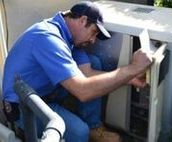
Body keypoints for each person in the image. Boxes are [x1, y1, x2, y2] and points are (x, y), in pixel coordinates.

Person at [2, 1, 152, 142]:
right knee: (80, 132)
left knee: (93, 62)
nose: (93, 40)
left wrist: (129, 78)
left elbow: (87, 74)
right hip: (23, 107)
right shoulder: (48, 38)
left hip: (46, 92)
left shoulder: (68, 35)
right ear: (82, 20)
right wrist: (132, 69)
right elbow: (83, 90)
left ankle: (94, 127)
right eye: (93, 32)